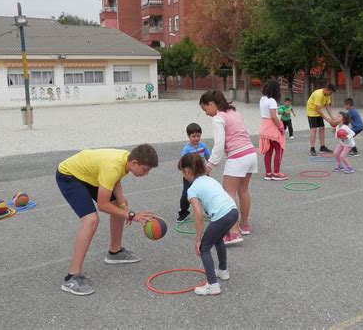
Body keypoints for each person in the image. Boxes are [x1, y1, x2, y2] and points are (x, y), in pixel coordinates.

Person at [55, 145, 158, 296]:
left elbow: (115, 180)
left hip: (88, 175)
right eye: (145, 169)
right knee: (91, 220)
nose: (146, 173)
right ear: (134, 163)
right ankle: (71, 278)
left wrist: (123, 206)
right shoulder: (113, 166)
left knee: (118, 206)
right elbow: (103, 205)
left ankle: (115, 252)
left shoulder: (125, 160)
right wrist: (131, 215)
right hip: (69, 175)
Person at [199, 90, 257, 245]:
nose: (206, 114)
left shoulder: (218, 118)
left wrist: (209, 166)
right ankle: (244, 225)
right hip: (251, 153)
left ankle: (234, 232)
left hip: (237, 156)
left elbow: (219, 145)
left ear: (212, 104)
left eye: (205, 109)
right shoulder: (234, 112)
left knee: (228, 193)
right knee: (243, 190)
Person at [178, 153, 239, 295]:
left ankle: (212, 285)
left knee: (204, 248)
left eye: (182, 172)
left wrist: (198, 240)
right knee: (218, 239)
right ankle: (223, 271)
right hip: (233, 211)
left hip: (222, 215)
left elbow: (198, 216)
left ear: (186, 171)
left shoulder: (191, 189)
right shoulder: (209, 179)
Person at [177, 123, 211, 222]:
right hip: (190, 176)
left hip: (202, 173)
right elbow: (182, 163)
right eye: (194, 136)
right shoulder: (187, 149)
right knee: (186, 195)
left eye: (198, 135)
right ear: (188, 136)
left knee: (206, 193)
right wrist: (185, 174)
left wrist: (208, 168)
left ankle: (209, 210)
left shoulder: (203, 146)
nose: (196, 138)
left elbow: (208, 157)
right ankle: (184, 212)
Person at [259, 80, 288, 181]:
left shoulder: (262, 99)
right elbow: (273, 116)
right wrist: (281, 127)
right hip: (272, 128)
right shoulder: (272, 101)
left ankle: (268, 173)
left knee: (268, 151)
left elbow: (266, 114)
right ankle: (276, 173)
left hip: (264, 127)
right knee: (279, 149)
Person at [306, 83, 336, 156]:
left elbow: (327, 106)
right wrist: (326, 118)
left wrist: (332, 117)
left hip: (318, 111)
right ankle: (312, 148)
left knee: (322, 128)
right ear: (327, 90)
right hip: (312, 111)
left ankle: (322, 147)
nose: (331, 94)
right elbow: (317, 109)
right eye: (331, 92)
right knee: (314, 129)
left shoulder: (327, 95)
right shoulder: (319, 94)